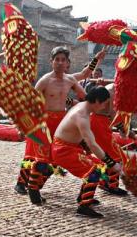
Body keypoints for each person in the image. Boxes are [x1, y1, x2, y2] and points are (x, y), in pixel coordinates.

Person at [14, 46, 105, 205]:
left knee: (55, 157)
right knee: (39, 156)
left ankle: (82, 192)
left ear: (67, 63)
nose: (60, 63)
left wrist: (97, 60)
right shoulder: (44, 80)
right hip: (44, 121)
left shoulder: (70, 79)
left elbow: (85, 88)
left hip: (61, 122)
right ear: (52, 61)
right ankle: (28, 188)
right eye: (57, 59)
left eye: (63, 60)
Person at [52, 86, 121, 218]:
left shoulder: (83, 106)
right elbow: (93, 144)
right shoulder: (82, 116)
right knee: (93, 171)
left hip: (70, 147)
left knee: (99, 166)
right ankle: (84, 206)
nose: (104, 108)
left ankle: (84, 197)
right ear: (96, 101)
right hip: (63, 150)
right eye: (104, 104)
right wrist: (112, 163)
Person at [90, 83, 130, 196]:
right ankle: (112, 186)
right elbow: (113, 114)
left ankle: (104, 182)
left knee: (108, 154)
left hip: (101, 122)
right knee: (116, 155)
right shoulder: (112, 91)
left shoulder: (117, 89)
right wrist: (126, 130)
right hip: (99, 122)